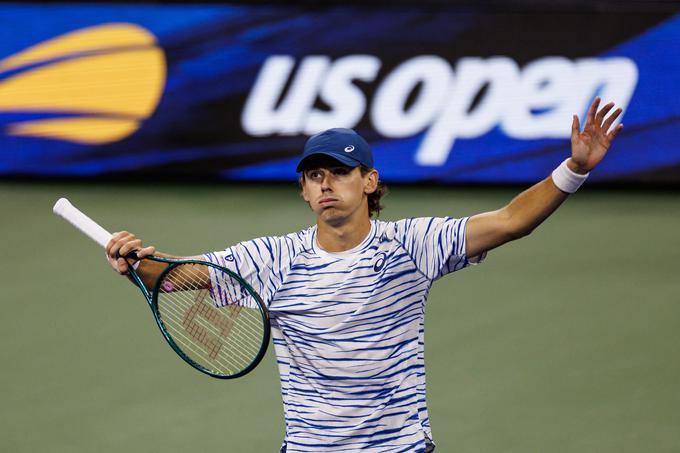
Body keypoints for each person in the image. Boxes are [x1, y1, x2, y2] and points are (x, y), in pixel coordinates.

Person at [106, 97, 623, 452]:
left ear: (369, 181)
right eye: (314, 175)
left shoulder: (412, 246)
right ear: (305, 192)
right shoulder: (271, 259)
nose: (326, 183)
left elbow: (511, 222)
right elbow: (177, 277)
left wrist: (574, 169)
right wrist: (134, 262)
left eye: (339, 171)